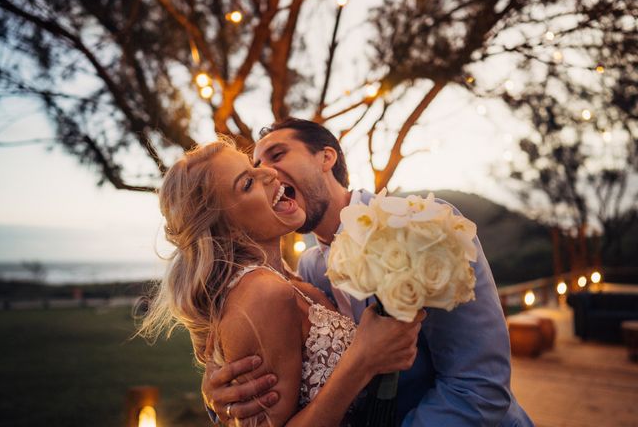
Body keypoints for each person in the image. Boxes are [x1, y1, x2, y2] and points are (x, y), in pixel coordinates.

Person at [202, 118, 534, 426]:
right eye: (256, 169)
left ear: (326, 157)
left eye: (277, 155)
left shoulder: (425, 226)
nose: (269, 174)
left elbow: (479, 387)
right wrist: (221, 395)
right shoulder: (309, 269)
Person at [138, 138, 423, 427]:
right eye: (247, 183)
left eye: (254, 166)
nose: (270, 173)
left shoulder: (296, 275)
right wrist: (363, 361)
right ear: (229, 231)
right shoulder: (262, 293)